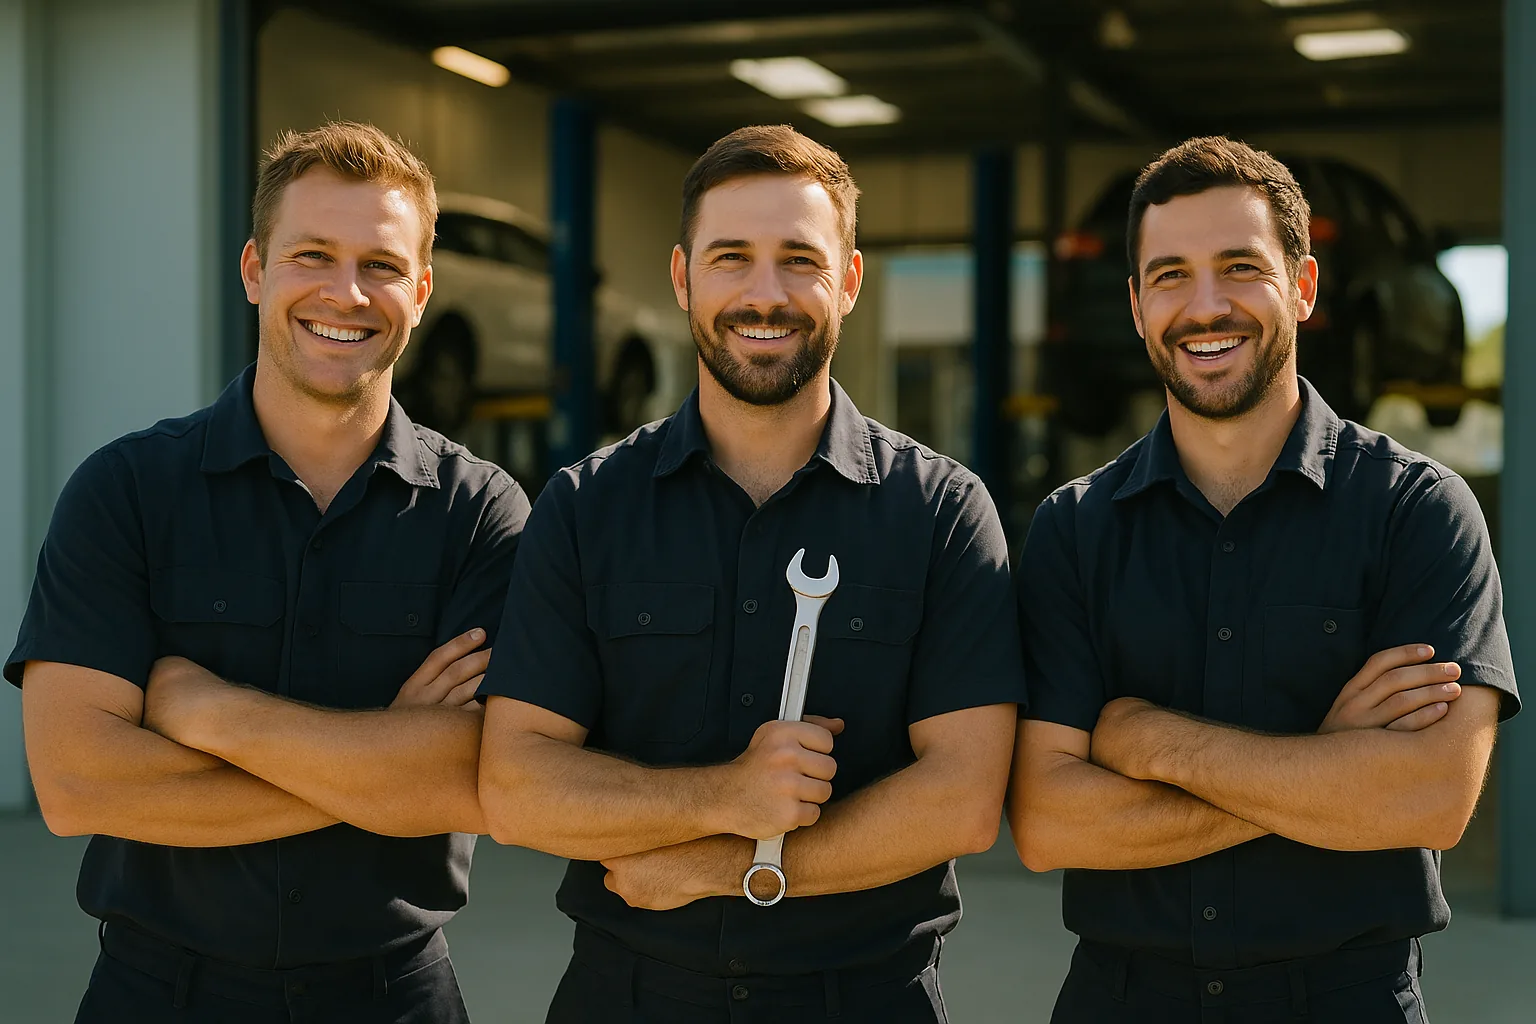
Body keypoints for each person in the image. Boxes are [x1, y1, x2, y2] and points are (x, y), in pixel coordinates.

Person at [475, 124, 1025, 1023]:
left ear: (848, 282)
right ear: (684, 276)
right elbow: (516, 788)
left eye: (799, 260)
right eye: (731, 258)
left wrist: (726, 866)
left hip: (866, 999)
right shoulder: (585, 507)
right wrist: (723, 796)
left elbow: (963, 800)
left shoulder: (941, 513)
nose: (764, 294)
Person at [10, 121, 529, 1023]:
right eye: (312, 255)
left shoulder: (481, 514)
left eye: (382, 264)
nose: (346, 292)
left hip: (394, 996)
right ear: (254, 269)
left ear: (423, 288)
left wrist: (213, 714)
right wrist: (382, 762)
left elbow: (477, 780)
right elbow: (76, 783)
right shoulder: (126, 492)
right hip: (158, 994)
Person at [1008, 135, 1519, 1023]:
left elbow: (1432, 798)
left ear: (1305, 288)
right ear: (1135, 306)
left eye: (1239, 268)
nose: (1205, 307)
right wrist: (1329, 768)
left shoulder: (1418, 513)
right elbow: (1052, 823)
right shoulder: (1072, 532)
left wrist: (1152, 743)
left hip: (1346, 1000)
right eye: (1170, 275)